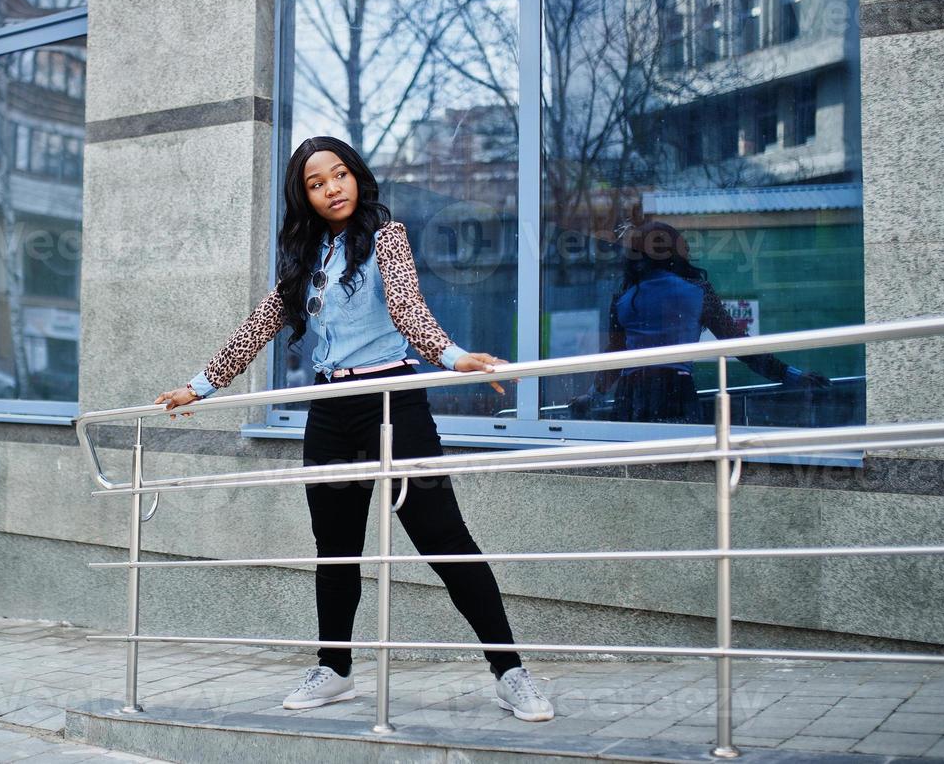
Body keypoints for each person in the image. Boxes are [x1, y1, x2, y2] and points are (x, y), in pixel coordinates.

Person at [153, 135, 554, 722]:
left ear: (357, 177)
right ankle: (334, 668)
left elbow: (408, 309)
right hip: (331, 411)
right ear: (305, 197)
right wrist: (202, 385)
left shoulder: (385, 238)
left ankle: (510, 672)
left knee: (445, 540)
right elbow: (262, 322)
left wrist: (453, 356)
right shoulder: (303, 259)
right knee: (335, 550)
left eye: (338, 175)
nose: (331, 189)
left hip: (392, 402)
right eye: (316, 184)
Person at [571, 220, 829, 423]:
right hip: (675, 391)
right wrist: (792, 376)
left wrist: (591, 397)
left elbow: (614, 357)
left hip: (631, 395)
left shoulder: (623, 298)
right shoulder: (697, 292)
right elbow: (738, 345)